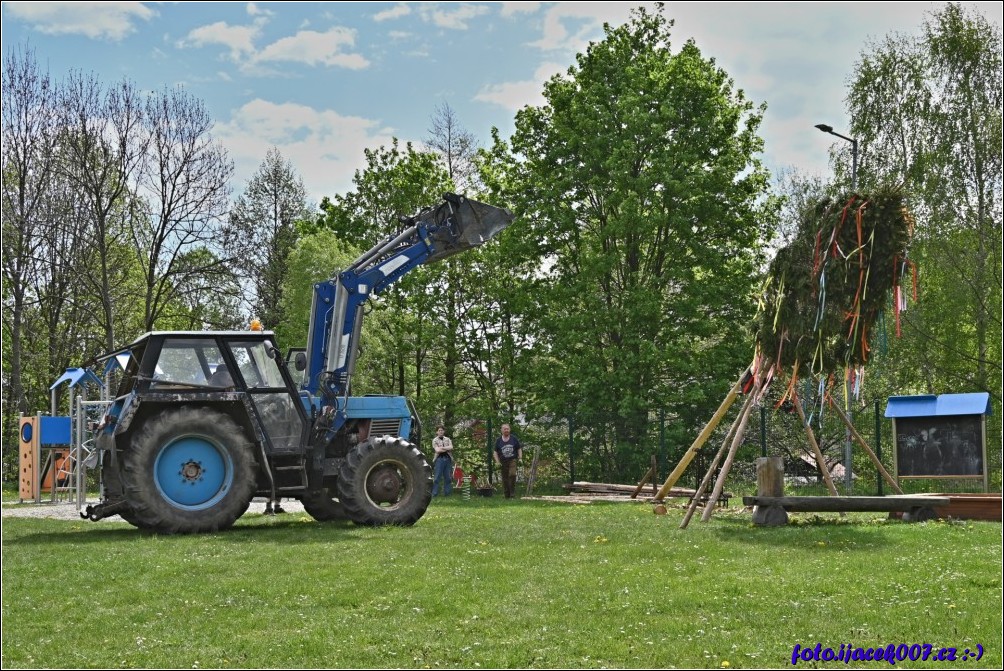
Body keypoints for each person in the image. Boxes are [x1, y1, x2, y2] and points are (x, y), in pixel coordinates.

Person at [493, 423, 522, 499]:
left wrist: (520, 458)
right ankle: (507, 495)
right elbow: (495, 452)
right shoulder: (498, 440)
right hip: (503, 462)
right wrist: (497, 462)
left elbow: (519, 449)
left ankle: (512, 494)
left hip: (512, 460)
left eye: (507, 429)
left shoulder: (514, 439)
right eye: (504, 429)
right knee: (505, 478)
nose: (506, 430)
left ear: (510, 430)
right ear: (501, 430)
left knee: (512, 475)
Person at [430, 425, 454, 497]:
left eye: (442, 430)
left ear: (444, 431)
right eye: (439, 430)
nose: (441, 431)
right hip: (439, 460)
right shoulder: (435, 440)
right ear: (437, 432)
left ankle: (447, 494)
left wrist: (442, 448)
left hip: (448, 459)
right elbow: (437, 450)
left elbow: (451, 447)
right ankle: (434, 494)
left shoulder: (448, 439)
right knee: (437, 477)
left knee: (448, 478)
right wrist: (447, 448)